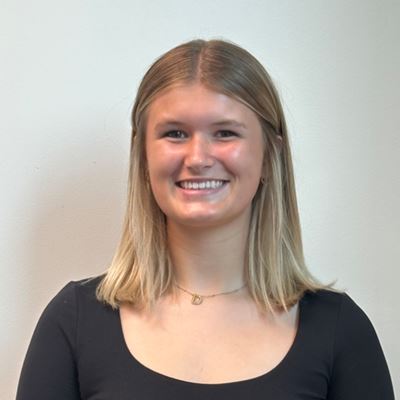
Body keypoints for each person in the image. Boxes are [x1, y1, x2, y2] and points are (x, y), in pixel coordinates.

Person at [16, 39, 395, 400]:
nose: (198, 158)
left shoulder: (340, 330)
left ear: (270, 155)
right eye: (175, 133)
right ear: (143, 156)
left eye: (225, 133)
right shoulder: (74, 322)